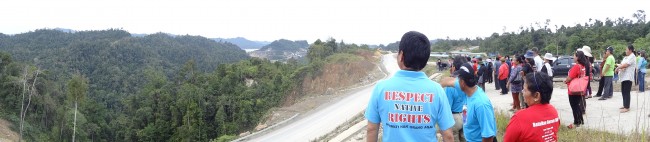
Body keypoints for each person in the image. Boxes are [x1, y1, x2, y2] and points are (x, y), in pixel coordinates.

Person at [364, 31, 454, 142]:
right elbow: (448, 135)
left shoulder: (381, 88)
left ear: (401, 55)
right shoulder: (437, 91)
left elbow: (371, 129)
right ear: (425, 60)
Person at [441, 63, 497, 142]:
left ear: (462, 83)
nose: (457, 80)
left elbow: (488, 136)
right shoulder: (467, 91)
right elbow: (448, 81)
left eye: (458, 79)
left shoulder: (481, 104)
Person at [503, 72, 559, 142]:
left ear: (536, 96)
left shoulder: (520, 117)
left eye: (525, 89)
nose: (522, 92)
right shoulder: (553, 111)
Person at [445, 55, 469, 142]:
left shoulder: (451, 84)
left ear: (454, 67)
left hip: (455, 117)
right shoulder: (468, 82)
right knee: (465, 138)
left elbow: (447, 107)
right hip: (466, 114)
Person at [563, 50, 588, 128]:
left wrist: (565, 80)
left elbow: (570, 77)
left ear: (578, 57)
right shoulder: (583, 66)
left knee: (574, 106)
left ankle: (576, 122)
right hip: (579, 88)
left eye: (574, 56)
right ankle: (581, 120)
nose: (573, 57)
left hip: (573, 90)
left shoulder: (576, 66)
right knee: (578, 104)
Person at [616, 44, 636, 113]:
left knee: (626, 92)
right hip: (623, 77)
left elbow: (626, 65)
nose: (626, 51)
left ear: (630, 50)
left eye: (626, 49)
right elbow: (623, 65)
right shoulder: (626, 57)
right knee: (623, 91)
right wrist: (620, 67)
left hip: (628, 77)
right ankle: (625, 105)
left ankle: (627, 107)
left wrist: (619, 67)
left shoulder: (632, 56)